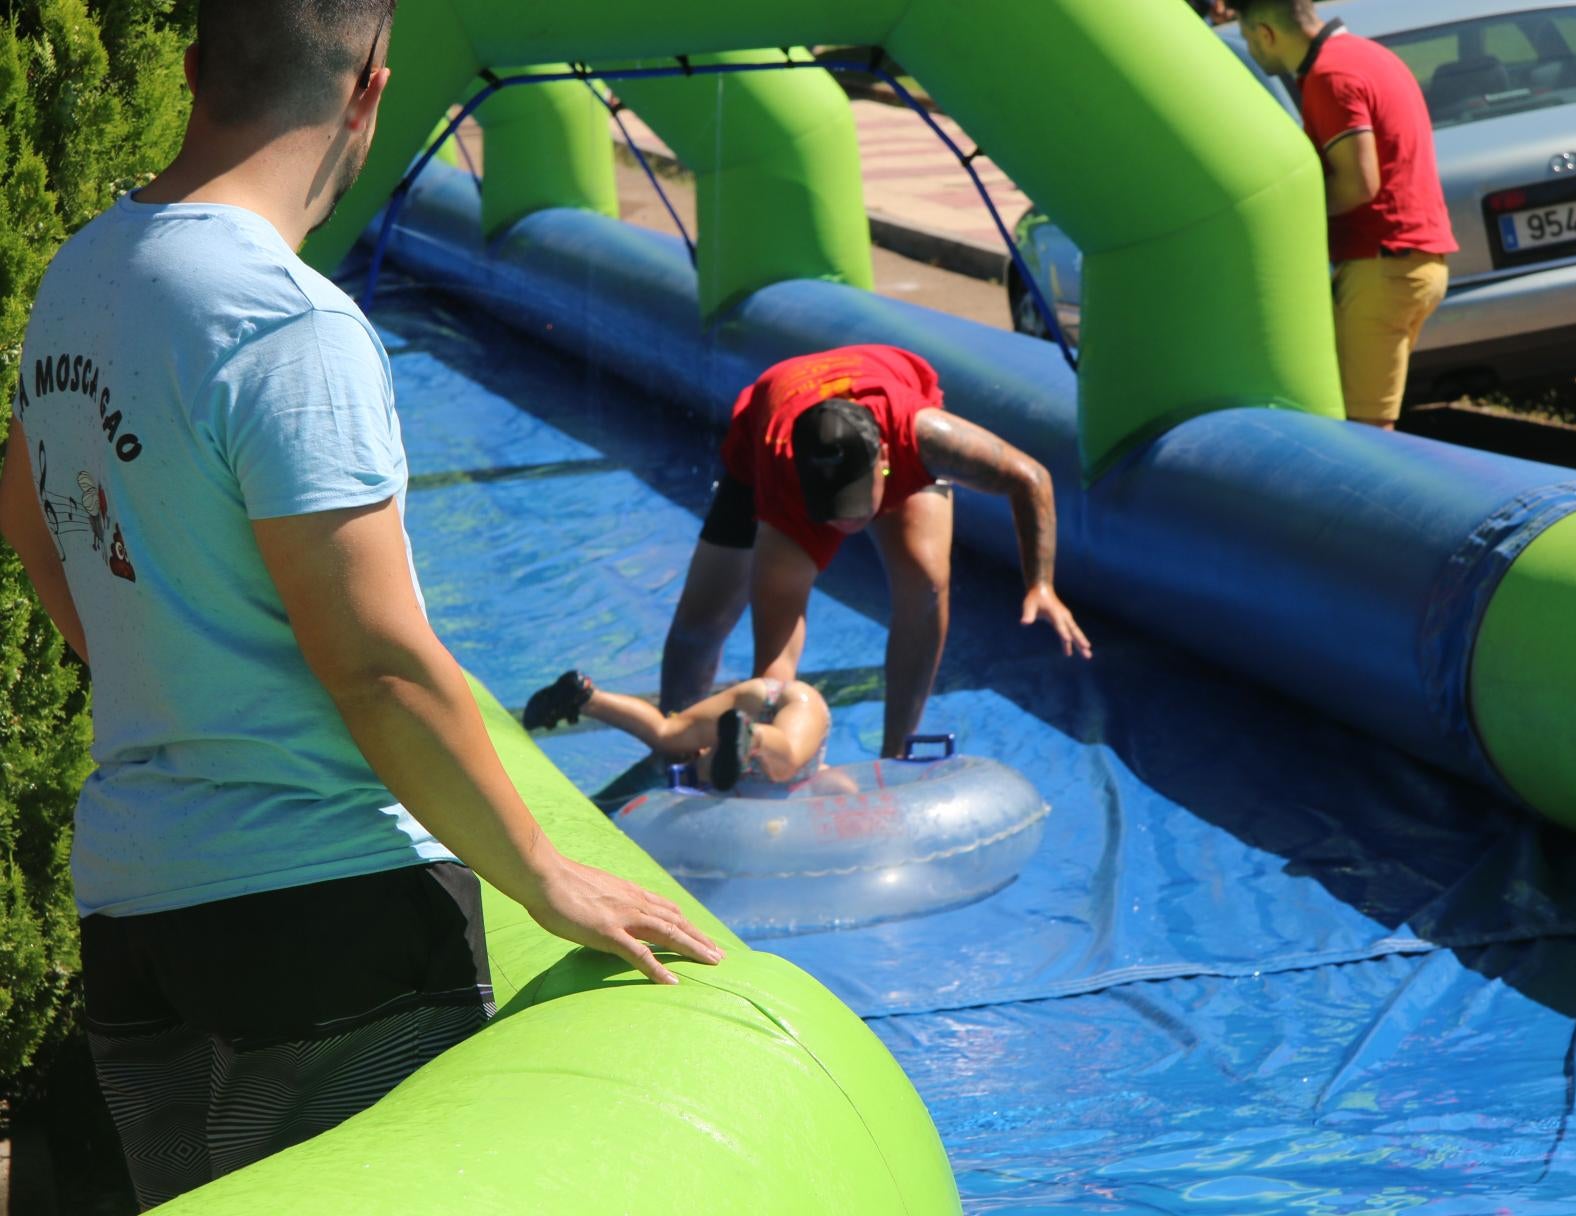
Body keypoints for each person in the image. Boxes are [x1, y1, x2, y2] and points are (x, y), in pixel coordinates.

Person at [0, 2, 719, 1205]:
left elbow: (29, 513)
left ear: (191, 70)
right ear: (370, 92)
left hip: (135, 907)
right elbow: (378, 663)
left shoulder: (85, 272)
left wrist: (154, 663)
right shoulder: (284, 322)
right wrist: (545, 871)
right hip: (327, 920)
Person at [661, 344, 1091, 763]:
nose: (849, 526)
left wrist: (1041, 583)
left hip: (884, 413)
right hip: (773, 437)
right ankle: (674, 738)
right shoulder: (783, 475)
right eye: (833, 514)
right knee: (702, 624)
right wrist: (770, 743)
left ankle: (897, 751)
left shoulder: (922, 437)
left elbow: (1031, 477)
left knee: (925, 584)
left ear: (885, 457)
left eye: (857, 508)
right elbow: (774, 670)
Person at [1227, 0, 1457, 429]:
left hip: (1382, 267)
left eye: (1246, 39)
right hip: (1413, 262)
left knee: (1367, 431)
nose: (1253, 54)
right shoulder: (1367, 54)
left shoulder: (1330, 76)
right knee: (1366, 421)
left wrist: (1286, 219)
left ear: (1265, 33)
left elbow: (1359, 183)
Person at [524, 670, 831, 790]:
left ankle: (585, 696)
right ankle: (754, 736)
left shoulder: (718, 763)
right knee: (786, 761)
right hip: (797, 704)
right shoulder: (812, 776)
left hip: (763, 693)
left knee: (668, 733)